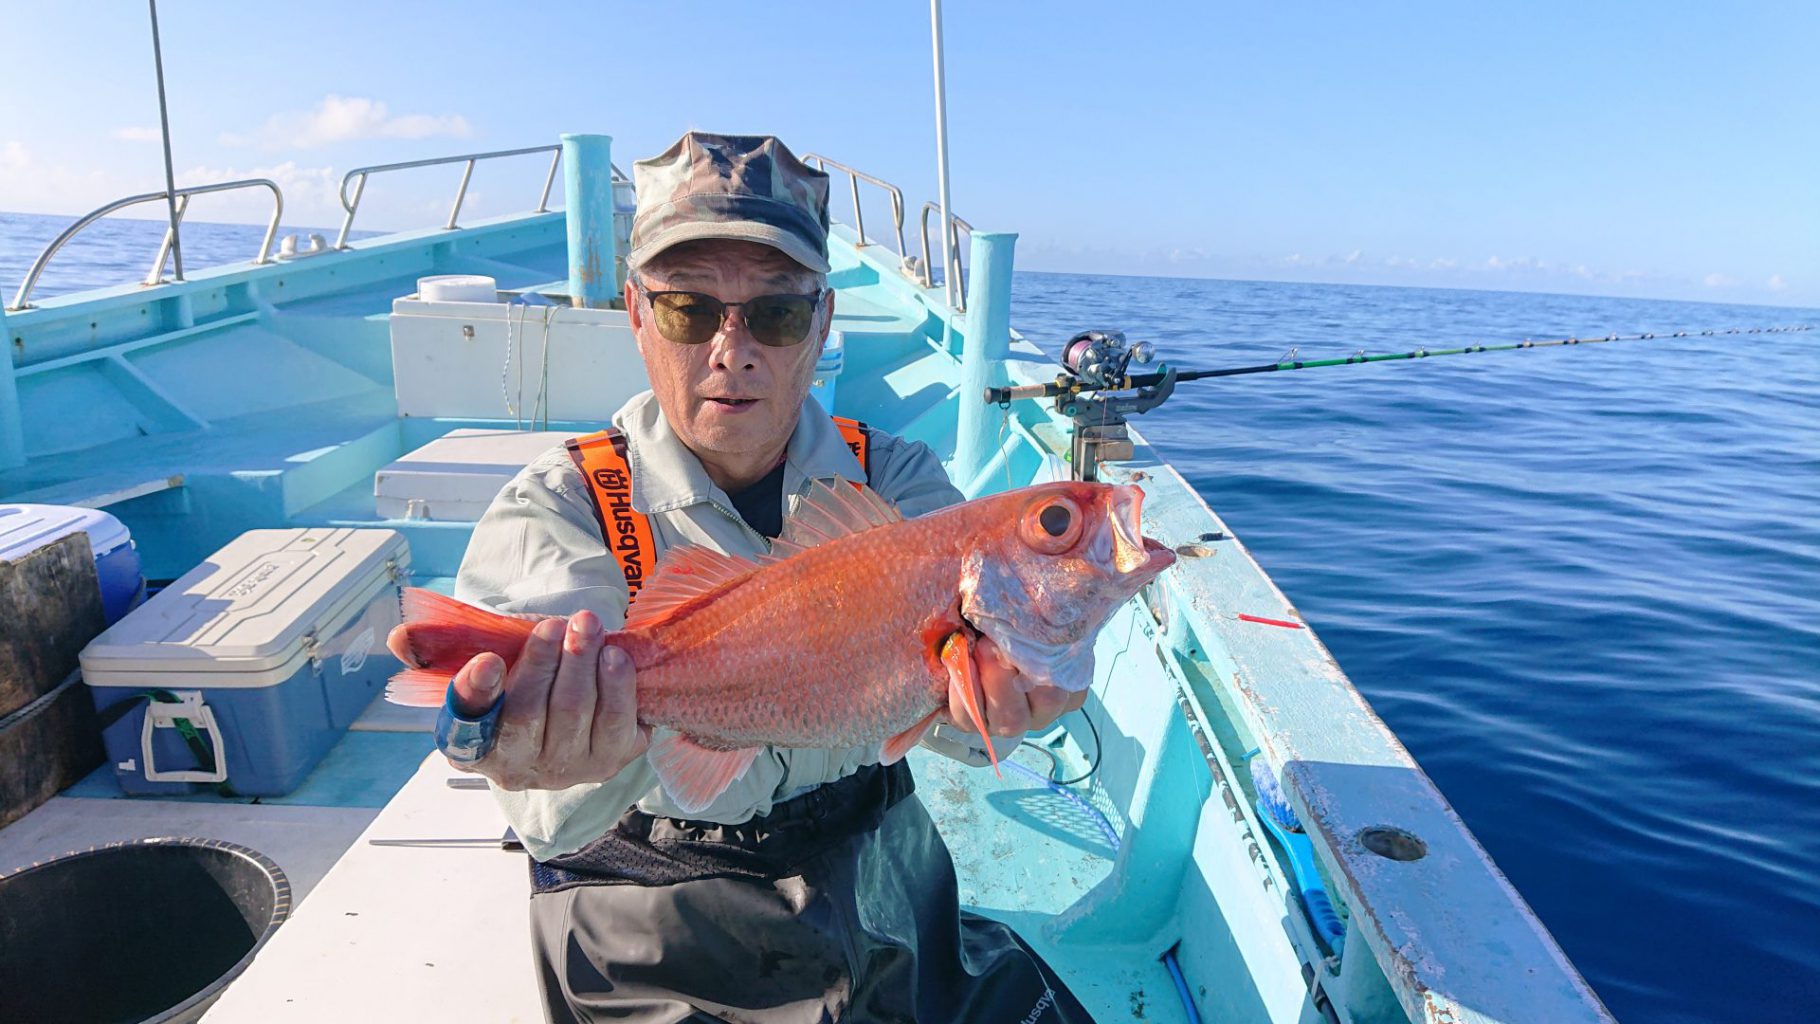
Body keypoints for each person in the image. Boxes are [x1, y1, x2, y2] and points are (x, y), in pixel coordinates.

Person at [393, 131, 1097, 1023]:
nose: (734, 350)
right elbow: (551, 817)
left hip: (877, 859)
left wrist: (1022, 691)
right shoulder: (561, 507)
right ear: (637, 316)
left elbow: (955, 710)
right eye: (690, 310)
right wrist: (530, 748)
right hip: (646, 900)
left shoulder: (898, 482)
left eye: (776, 314)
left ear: (823, 325)